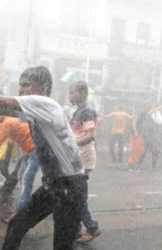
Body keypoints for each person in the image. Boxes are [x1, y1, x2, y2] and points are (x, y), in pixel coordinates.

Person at [0, 65, 87, 250]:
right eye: (20, 85)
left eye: (26, 85)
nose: (21, 90)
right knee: (16, 225)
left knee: (62, 246)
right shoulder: (34, 110)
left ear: (43, 87)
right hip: (53, 185)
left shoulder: (45, 104)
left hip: (70, 186)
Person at [68, 81, 101, 244]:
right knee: (75, 196)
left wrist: (71, 144)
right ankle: (77, 227)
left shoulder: (87, 112)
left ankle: (92, 228)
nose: (70, 95)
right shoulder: (77, 112)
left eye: (72, 92)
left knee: (78, 197)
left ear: (81, 93)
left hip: (83, 160)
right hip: (76, 159)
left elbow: (90, 136)